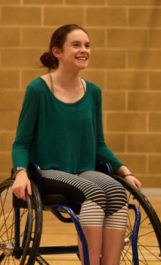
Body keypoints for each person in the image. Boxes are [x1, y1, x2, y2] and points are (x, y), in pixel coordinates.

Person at [11, 24, 142, 265]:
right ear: (57, 52)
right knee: (92, 192)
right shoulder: (38, 89)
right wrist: (20, 173)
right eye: (76, 45)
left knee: (116, 191)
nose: (84, 50)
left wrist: (125, 171)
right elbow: (21, 142)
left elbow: (99, 144)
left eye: (87, 45)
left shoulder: (93, 92)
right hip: (47, 171)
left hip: (83, 170)